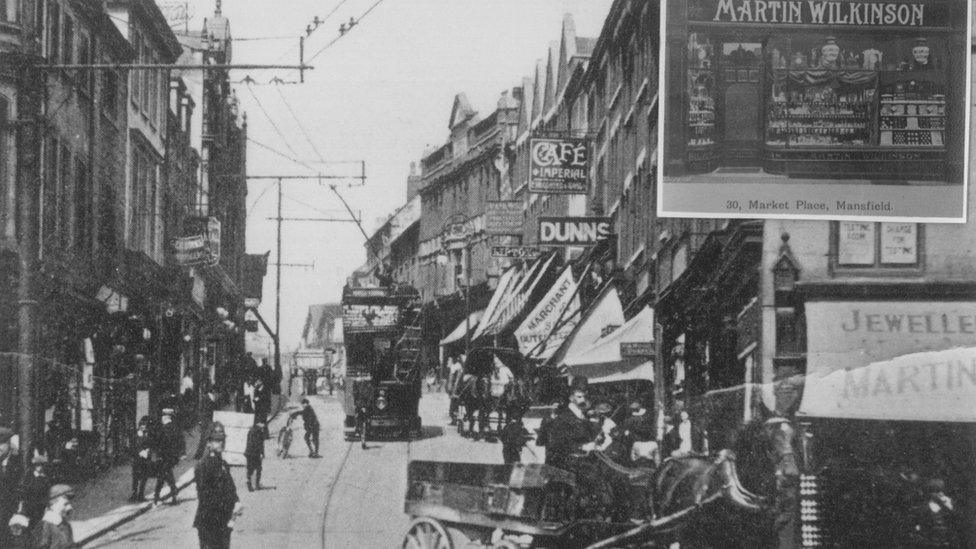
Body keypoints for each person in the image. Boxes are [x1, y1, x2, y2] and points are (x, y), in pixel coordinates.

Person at [193, 422, 241, 549]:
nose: (221, 443)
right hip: (209, 522)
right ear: (208, 443)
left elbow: (231, 488)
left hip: (224, 521)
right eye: (217, 440)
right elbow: (205, 497)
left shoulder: (223, 464)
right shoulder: (203, 465)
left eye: (222, 440)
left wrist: (236, 501)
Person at [544, 387, 599, 470]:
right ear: (572, 398)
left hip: (579, 461)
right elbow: (558, 442)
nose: (583, 399)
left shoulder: (583, 415)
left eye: (585, 396)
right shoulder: (564, 416)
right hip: (562, 464)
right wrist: (581, 446)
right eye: (579, 397)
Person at [153, 408, 185, 506]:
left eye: (163, 417)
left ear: (166, 417)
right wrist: (182, 454)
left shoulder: (163, 429)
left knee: (162, 476)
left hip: (164, 457)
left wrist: (157, 454)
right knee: (166, 475)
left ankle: (157, 498)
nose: (162, 418)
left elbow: (158, 443)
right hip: (172, 457)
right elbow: (182, 441)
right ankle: (173, 495)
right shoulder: (176, 427)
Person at [30, 484, 74, 549]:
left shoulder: (66, 525)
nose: (70, 508)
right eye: (65, 504)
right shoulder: (44, 526)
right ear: (53, 503)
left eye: (69, 504)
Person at [17, 454, 52, 534]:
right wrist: (20, 506)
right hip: (28, 505)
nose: (40, 467)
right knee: (27, 526)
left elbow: (47, 493)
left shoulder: (45, 477)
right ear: (34, 466)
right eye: (37, 465)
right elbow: (22, 491)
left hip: (40, 507)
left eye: (42, 465)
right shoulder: (28, 475)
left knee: (38, 526)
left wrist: (47, 506)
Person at [0, 427, 23, 548]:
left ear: (9, 443)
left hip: (11, 509)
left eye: (2, 443)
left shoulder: (17, 462)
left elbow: (21, 485)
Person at [621, 401, 658, 466]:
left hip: (642, 435)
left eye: (634, 409)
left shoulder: (645, 416)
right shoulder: (631, 418)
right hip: (640, 435)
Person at [129, 416, 156, 502]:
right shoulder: (135, 435)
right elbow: (132, 446)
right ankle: (134, 495)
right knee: (135, 478)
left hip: (145, 460)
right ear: (139, 426)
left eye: (145, 425)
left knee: (144, 477)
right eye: (142, 425)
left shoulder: (148, 434)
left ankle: (141, 494)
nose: (143, 427)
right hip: (137, 459)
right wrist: (140, 452)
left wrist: (148, 450)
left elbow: (151, 444)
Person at [194, 389, 218, 460]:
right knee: (204, 438)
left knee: (210, 437)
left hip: (211, 419)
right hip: (206, 420)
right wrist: (200, 420)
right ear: (213, 391)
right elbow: (201, 409)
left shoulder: (213, 398)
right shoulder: (205, 398)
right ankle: (198, 455)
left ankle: (210, 454)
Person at [244, 420, 265, 492]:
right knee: (255, 469)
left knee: (253, 469)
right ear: (258, 424)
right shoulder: (257, 432)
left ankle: (253, 483)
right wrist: (262, 453)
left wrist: (262, 453)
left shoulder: (253, 431)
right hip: (253, 454)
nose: (263, 425)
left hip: (251, 453)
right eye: (261, 424)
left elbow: (260, 444)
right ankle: (253, 485)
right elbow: (259, 444)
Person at [446, 356, 463, 425]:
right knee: (455, 405)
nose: (447, 362)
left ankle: (454, 420)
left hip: (455, 390)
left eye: (449, 360)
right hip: (458, 389)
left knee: (453, 406)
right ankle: (455, 419)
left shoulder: (454, 367)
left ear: (452, 361)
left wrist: (451, 390)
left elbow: (452, 380)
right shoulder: (458, 366)